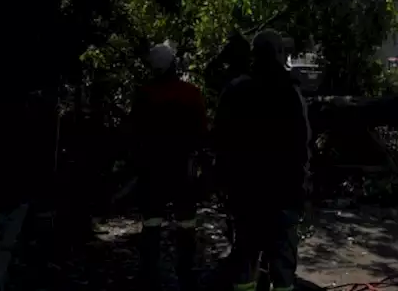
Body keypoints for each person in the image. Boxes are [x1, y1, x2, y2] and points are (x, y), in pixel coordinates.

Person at [213, 30, 311, 291]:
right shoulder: (291, 94)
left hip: (245, 195)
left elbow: (219, 143)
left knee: (244, 262)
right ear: (279, 55)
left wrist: (225, 185)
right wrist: (301, 189)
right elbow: (302, 146)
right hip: (283, 195)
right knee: (282, 270)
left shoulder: (234, 92)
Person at [130, 43, 209, 290]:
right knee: (185, 221)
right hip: (182, 167)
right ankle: (186, 270)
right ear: (174, 64)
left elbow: (134, 133)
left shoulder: (144, 95)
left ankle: (149, 272)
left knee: (152, 221)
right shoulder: (190, 93)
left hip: (152, 169)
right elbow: (202, 132)